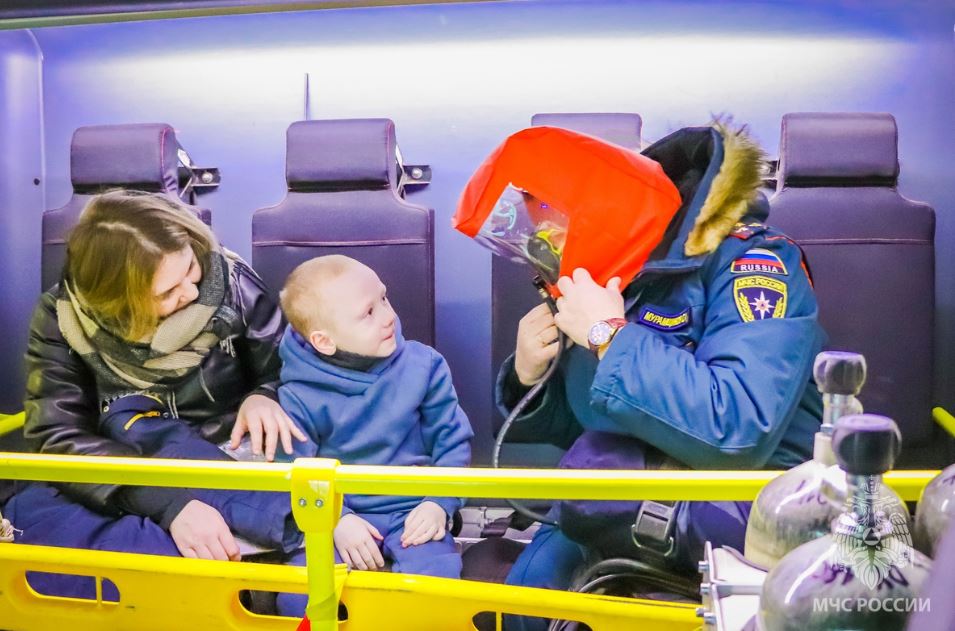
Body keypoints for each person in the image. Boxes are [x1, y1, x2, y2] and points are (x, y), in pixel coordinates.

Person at [494, 125, 825, 631]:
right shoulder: (622, 271)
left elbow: (738, 426)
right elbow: (597, 422)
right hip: (619, 493)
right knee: (522, 608)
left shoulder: (754, 262)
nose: (547, 240)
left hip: (739, 510)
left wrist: (609, 335)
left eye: (551, 219)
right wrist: (529, 378)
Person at [1, 190, 305, 600]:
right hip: (124, 464)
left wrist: (264, 394)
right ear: (119, 303)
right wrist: (170, 505)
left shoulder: (232, 282)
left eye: (191, 268)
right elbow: (59, 436)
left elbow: (290, 369)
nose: (193, 292)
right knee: (40, 521)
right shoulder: (60, 316)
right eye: (167, 292)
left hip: (224, 452)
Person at [275, 255, 473, 614]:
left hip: (413, 511)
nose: (388, 316)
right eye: (368, 312)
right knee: (297, 598)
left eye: (384, 298)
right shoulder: (298, 396)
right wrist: (337, 521)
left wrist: (438, 503)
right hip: (337, 516)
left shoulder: (424, 365)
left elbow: (453, 443)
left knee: (437, 592)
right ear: (324, 341)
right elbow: (295, 473)